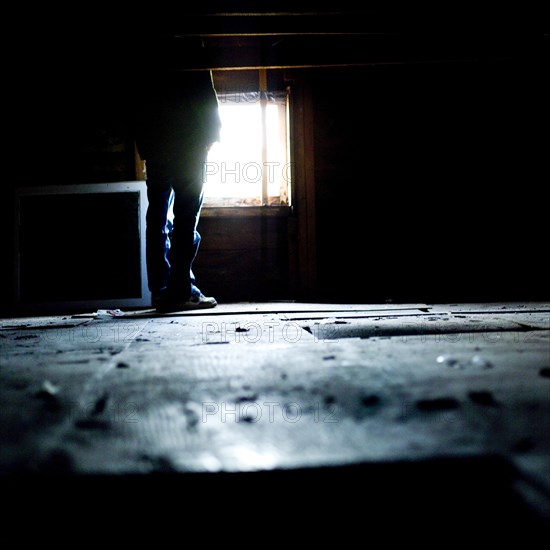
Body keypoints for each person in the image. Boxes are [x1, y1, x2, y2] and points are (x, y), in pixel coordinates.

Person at [133, 64, 222, 312]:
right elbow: (203, 86)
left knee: (159, 213)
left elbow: (137, 93)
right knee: (186, 213)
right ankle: (181, 289)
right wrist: (213, 133)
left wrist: (145, 143)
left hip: (157, 139)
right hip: (189, 139)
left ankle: (161, 288)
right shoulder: (190, 42)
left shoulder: (148, 46)